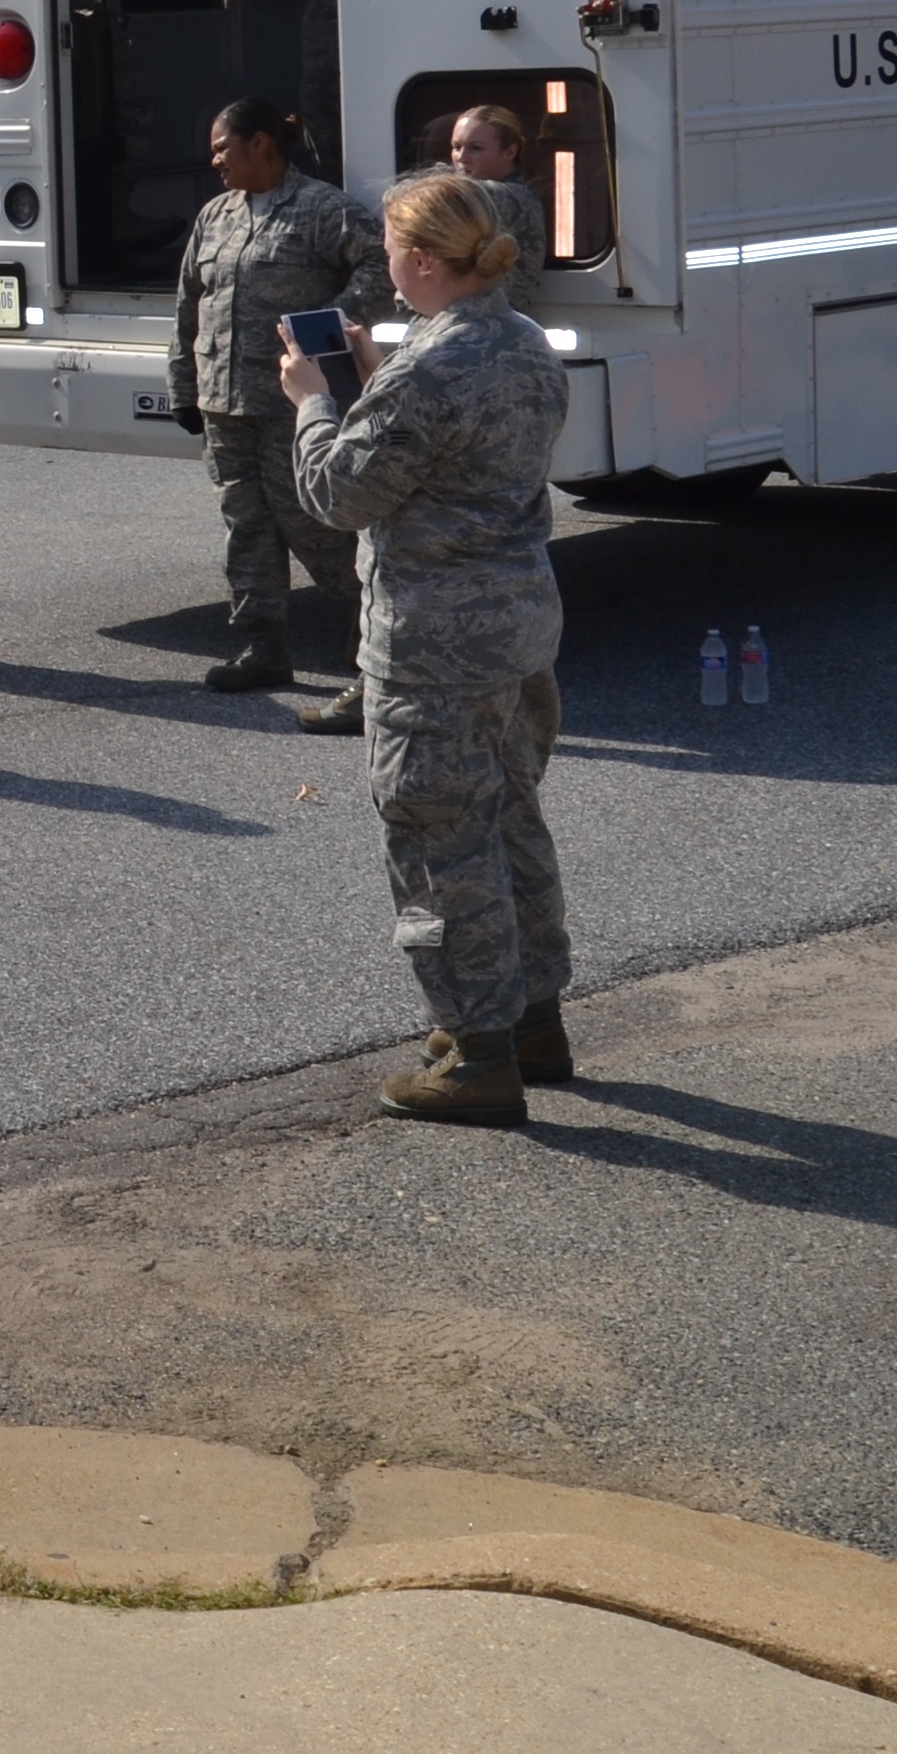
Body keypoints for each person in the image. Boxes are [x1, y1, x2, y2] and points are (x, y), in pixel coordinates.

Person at [280, 172, 571, 1128]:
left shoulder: (428, 370)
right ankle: (531, 1021)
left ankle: (476, 1053)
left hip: (434, 644)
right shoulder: (522, 342)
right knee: (512, 823)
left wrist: (314, 402)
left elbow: (340, 495)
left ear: (416, 260)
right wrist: (369, 387)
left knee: (441, 842)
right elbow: (448, 458)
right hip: (516, 628)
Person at [172, 95, 388, 698]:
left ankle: (371, 623)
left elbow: (380, 265)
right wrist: (183, 386)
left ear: (260, 144)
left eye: (221, 147)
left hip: (293, 402)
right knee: (245, 526)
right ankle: (262, 646)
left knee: (310, 521)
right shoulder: (215, 216)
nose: (214, 160)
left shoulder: (321, 209)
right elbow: (189, 304)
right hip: (225, 401)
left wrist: (328, 325)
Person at [442, 102, 553, 312]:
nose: (461, 157)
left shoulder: (510, 197)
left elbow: (445, 196)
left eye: (476, 148)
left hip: (491, 320)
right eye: (456, 147)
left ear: (510, 152)